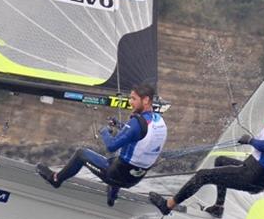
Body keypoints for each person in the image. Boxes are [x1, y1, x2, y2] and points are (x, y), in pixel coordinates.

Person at [149, 91, 264, 218]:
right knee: (220, 160)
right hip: (262, 178)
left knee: (202, 175)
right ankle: (218, 207)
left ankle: (167, 205)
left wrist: (250, 141)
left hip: (252, 174)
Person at [36, 83, 168, 206]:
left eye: (133, 99)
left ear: (145, 100)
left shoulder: (136, 122)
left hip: (115, 176)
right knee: (121, 158)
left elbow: (111, 146)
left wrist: (104, 131)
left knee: (81, 154)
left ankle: (56, 179)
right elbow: (139, 136)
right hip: (134, 179)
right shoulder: (159, 121)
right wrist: (120, 126)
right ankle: (112, 197)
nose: (130, 102)